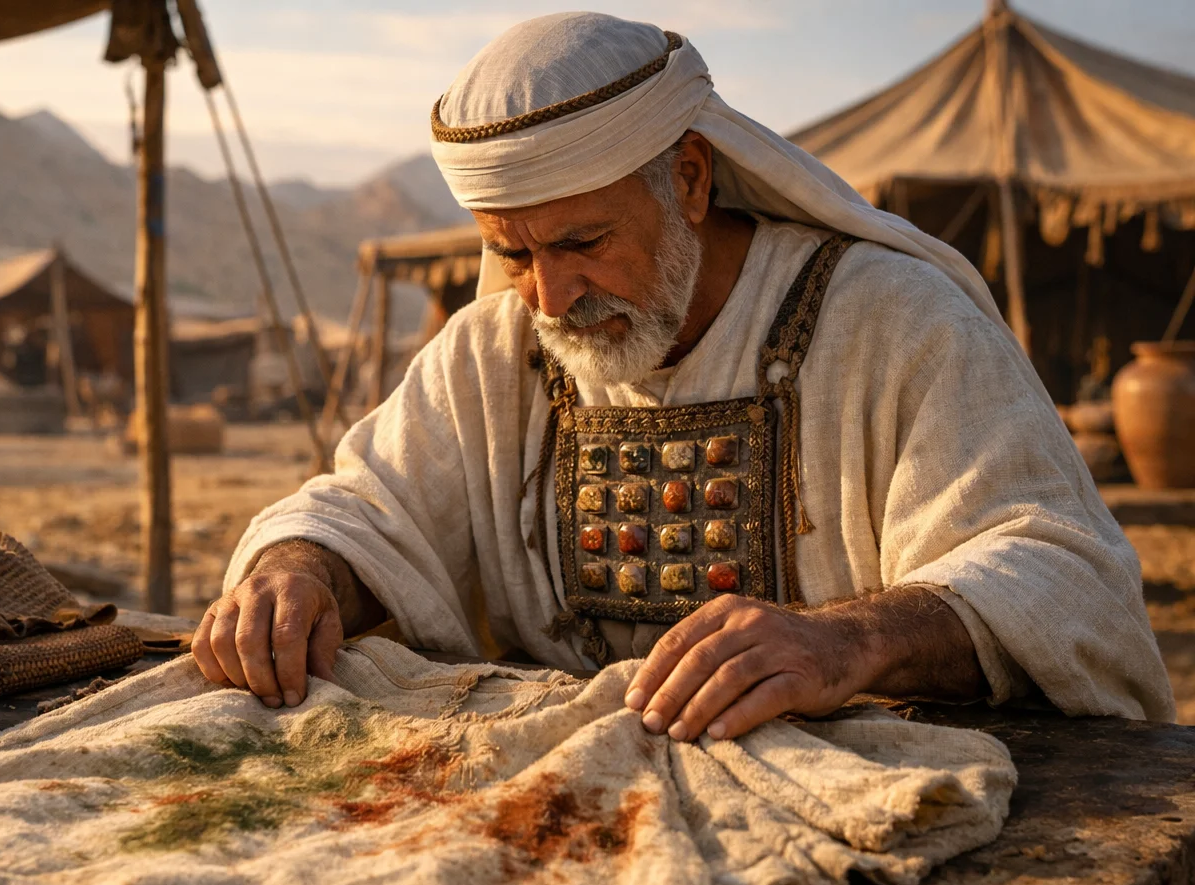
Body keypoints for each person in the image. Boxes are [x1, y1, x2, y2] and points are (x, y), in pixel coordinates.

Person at [192, 12, 1173, 741]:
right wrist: (298, 573)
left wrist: (850, 642)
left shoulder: (894, 321)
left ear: (691, 180)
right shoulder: (491, 354)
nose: (548, 296)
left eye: (582, 242)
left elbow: (1062, 571)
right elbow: (367, 511)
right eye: (513, 254)